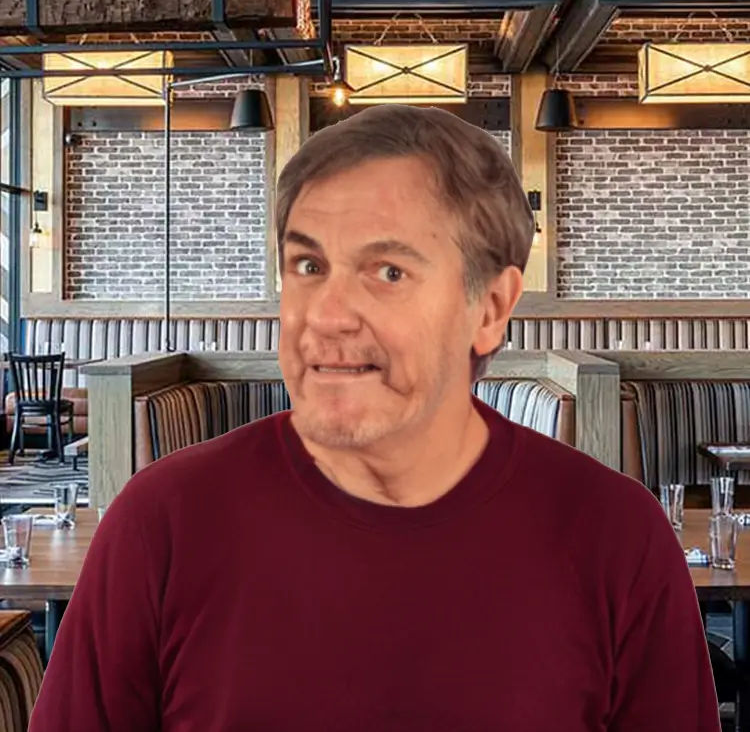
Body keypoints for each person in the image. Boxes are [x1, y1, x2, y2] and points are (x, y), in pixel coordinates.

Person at [29, 104, 720, 731]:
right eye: (308, 265)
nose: (326, 316)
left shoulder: (615, 538)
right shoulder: (162, 524)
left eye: (388, 271)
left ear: (490, 308)